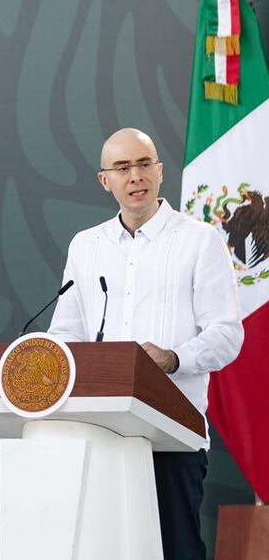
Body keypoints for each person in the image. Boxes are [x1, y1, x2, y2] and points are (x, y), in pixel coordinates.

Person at [48, 128, 244, 560]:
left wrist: (174, 358)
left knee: (174, 550)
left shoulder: (200, 240)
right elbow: (65, 335)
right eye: (122, 168)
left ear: (158, 171)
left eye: (143, 164)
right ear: (105, 181)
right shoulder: (86, 246)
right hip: (100, 430)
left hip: (172, 432)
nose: (134, 176)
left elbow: (227, 334)